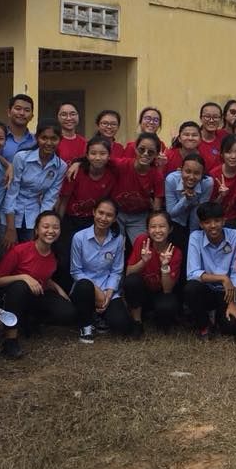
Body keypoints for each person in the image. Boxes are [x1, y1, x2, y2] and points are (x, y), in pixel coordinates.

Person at [0, 211, 78, 359]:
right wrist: (24, 277)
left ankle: (28, 319)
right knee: (20, 286)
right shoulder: (20, 250)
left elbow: (43, 277)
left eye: (55, 227)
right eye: (46, 226)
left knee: (68, 312)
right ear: (36, 230)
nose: (51, 231)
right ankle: (10, 340)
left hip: (34, 294)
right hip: (7, 296)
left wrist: (57, 288)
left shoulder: (55, 254)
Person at [68, 198, 132, 342]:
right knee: (85, 286)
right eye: (100, 213)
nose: (103, 218)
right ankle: (86, 326)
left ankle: (99, 316)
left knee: (122, 324)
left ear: (115, 219)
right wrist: (96, 290)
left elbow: (116, 271)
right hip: (84, 288)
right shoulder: (79, 237)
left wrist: (108, 293)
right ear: (93, 212)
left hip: (107, 288)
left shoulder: (118, 239)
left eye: (109, 215)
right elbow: (76, 271)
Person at [55, 136, 117, 285]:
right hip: (71, 220)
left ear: (109, 156)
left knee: (89, 260)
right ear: (87, 155)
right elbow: (63, 201)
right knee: (65, 259)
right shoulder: (76, 173)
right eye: (93, 153)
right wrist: (58, 224)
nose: (98, 157)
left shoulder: (112, 174)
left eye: (102, 153)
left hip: (94, 222)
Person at [1, 119, 67, 251]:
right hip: (9, 215)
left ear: (60, 140)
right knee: (7, 255)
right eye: (44, 138)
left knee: (30, 254)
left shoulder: (61, 166)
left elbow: (49, 199)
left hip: (34, 216)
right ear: (37, 138)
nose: (49, 143)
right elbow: (11, 192)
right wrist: (11, 227)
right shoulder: (22, 158)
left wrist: (40, 227)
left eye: (54, 139)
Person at [183, 202, 236, 340]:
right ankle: (204, 325)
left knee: (231, 327)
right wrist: (222, 278)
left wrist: (232, 303)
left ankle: (217, 317)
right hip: (206, 290)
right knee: (191, 288)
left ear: (224, 221)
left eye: (217, 221)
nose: (213, 226)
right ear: (201, 224)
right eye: (207, 222)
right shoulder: (195, 237)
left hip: (228, 292)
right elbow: (192, 273)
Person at [125, 211, 182, 335]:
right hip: (142, 291)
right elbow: (128, 273)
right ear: (147, 229)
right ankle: (137, 322)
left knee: (167, 308)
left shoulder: (175, 252)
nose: (157, 230)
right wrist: (143, 261)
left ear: (170, 229)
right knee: (132, 281)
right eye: (153, 227)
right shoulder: (142, 241)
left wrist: (165, 265)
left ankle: (156, 316)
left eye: (162, 226)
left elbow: (167, 290)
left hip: (161, 292)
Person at [112, 132, 165, 242]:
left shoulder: (156, 175)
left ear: (156, 155)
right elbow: (100, 160)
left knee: (143, 245)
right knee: (113, 244)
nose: (145, 154)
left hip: (139, 216)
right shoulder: (121, 164)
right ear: (135, 149)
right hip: (117, 212)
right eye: (141, 150)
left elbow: (157, 205)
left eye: (151, 152)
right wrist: (78, 163)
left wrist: (155, 225)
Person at [165, 152, 213, 253]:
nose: (191, 177)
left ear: (202, 174)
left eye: (197, 173)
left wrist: (193, 237)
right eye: (187, 171)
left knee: (194, 246)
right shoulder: (171, 180)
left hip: (196, 220)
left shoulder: (207, 183)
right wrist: (186, 200)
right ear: (180, 170)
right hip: (176, 220)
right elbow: (171, 213)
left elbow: (199, 211)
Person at [209, 134, 236, 229]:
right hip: (217, 220)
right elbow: (210, 207)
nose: (233, 156)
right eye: (228, 152)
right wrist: (221, 196)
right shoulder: (213, 175)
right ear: (222, 154)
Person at [2, 94, 35, 161]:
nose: (22, 113)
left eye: (27, 110)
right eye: (18, 109)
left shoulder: (36, 141)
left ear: (32, 116)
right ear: (9, 112)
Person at [197, 102, 226, 169]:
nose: (211, 120)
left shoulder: (224, 139)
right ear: (201, 118)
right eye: (207, 117)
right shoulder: (193, 139)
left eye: (215, 117)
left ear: (221, 119)